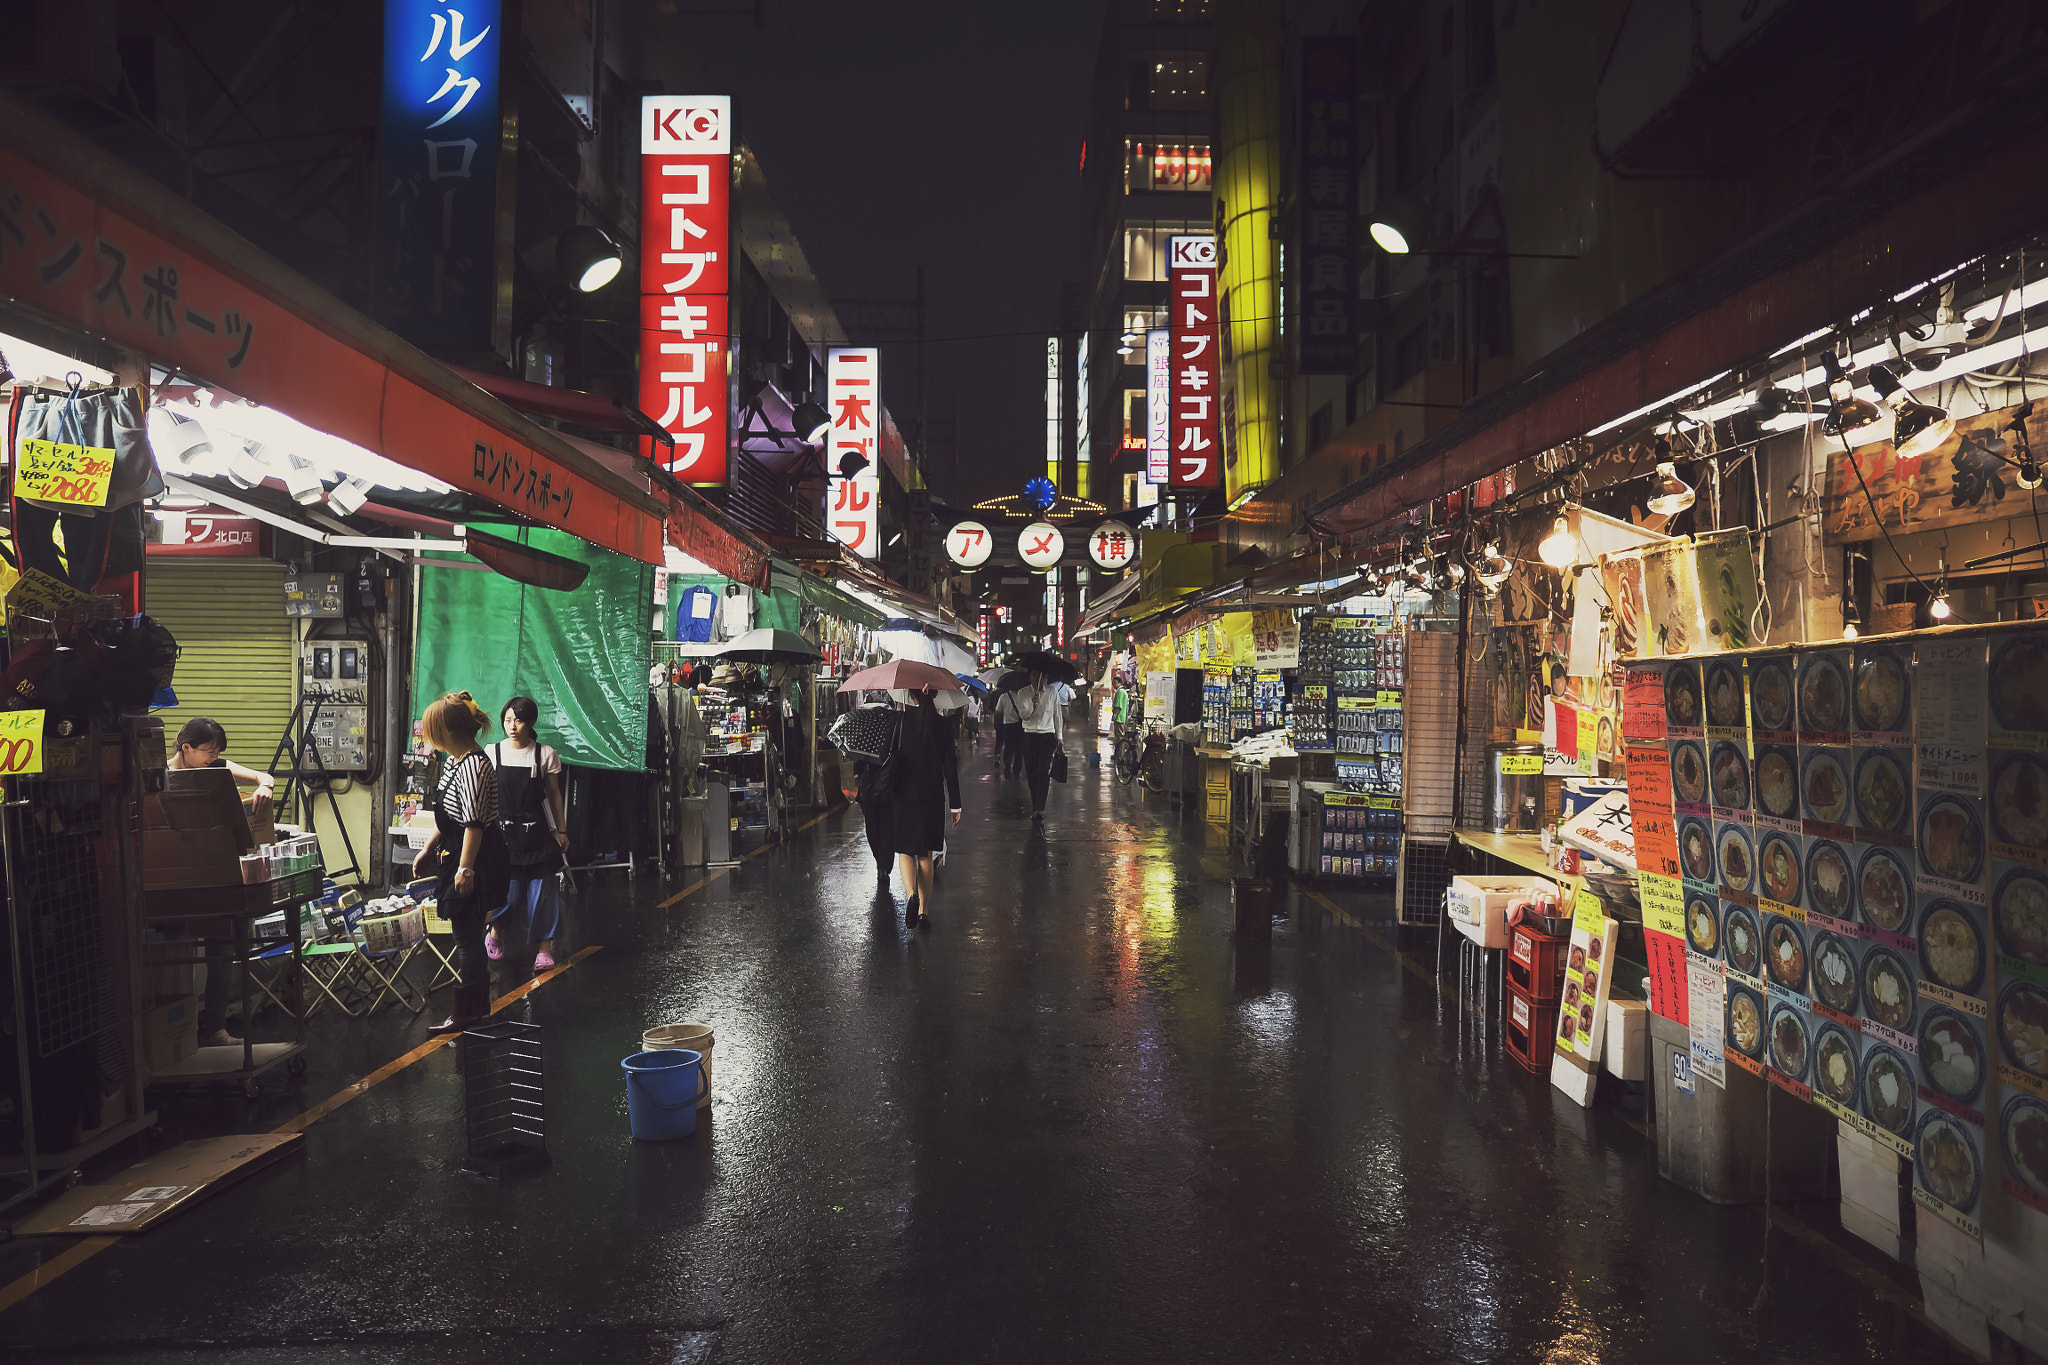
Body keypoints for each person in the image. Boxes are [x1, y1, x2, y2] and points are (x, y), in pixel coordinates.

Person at [167, 717, 275, 1049]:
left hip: (216, 874)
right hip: (173, 880)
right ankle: (173, 1030)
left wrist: (265, 786)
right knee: (171, 955)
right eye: (208, 751)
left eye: (217, 752)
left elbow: (263, 775)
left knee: (221, 947)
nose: (213, 757)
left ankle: (215, 1028)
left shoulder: (217, 768)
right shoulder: (160, 774)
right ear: (186, 748)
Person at [410, 692, 511, 1031]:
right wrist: (428, 848)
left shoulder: (474, 766)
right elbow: (450, 819)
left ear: (449, 731)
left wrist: (465, 869)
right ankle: (475, 1010)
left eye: (433, 729)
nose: (429, 736)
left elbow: (473, 824)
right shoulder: (455, 761)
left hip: (474, 856)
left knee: (467, 938)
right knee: (466, 936)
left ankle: (470, 1014)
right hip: (456, 850)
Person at [487, 697, 570, 971]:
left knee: (543, 896)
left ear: (530, 722)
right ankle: (497, 932)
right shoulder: (492, 752)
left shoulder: (544, 754)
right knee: (506, 896)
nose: (512, 726)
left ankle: (545, 950)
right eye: (508, 719)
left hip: (537, 838)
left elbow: (554, 795)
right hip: (503, 839)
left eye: (518, 720)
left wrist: (562, 830)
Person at [879, 688, 961, 928]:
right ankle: (924, 911)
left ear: (912, 695)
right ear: (935, 695)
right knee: (926, 854)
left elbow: (885, 755)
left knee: (905, 851)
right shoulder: (944, 725)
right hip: (932, 797)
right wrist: (956, 804)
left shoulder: (900, 720)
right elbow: (950, 768)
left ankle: (910, 895)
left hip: (903, 794)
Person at [1014, 670, 1073, 822]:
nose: (1036, 678)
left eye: (1039, 675)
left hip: (1047, 736)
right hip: (1029, 735)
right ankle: (1035, 805)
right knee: (1032, 773)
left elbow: (1057, 714)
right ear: (1030, 676)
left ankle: (1040, 808)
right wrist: (1033, 706)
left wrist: (1060, 736)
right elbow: (1023, 715)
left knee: (1043, 771)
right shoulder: (1023, 693)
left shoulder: (1052, 691)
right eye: (1033, 674)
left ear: (1045, 677)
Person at [994, 684, 1025, 779]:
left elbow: (997, 711)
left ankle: (1007, 766)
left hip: (1007, 725)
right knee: (1019, 749)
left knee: (1008, 747)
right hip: (1020, 726)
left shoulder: (1003, 697)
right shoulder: (1023, 697)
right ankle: (1017, 770)